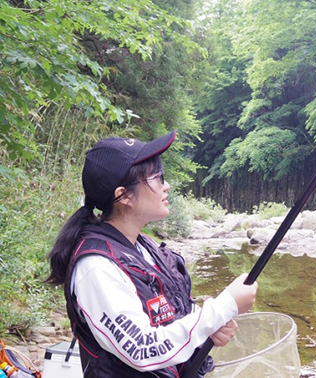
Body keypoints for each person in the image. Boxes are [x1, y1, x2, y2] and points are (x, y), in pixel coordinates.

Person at [47, 131, 258, 377]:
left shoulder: (143, 247)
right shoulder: (96, 267)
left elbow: (170, 313)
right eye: (158, 178)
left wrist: (205, 326)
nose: (166, 186)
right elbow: (142, 348)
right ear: (123, 196)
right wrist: (224, 306)